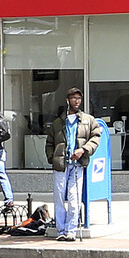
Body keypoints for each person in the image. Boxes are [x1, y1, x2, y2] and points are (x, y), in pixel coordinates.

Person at [46, 87, 103, 241]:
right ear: (67, 100)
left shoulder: (88, 120)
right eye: (74, 98)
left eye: (79, 98)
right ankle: (61, 230)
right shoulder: (58, 122)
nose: (77, 101)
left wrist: (83, 150)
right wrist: (52, 158)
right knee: (59, 197)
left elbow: (96, 137)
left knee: (74, 197)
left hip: (77, 164)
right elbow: (49, 142)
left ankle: (71, 230)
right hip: (61, 164)